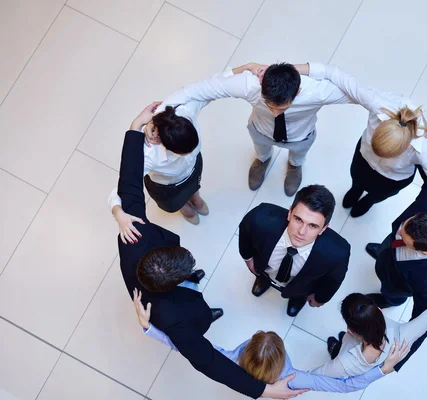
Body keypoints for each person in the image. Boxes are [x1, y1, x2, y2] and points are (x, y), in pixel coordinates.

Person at [116, 104, 305, 399]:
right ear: (173, 281)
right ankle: (206, 314)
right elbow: (209, 362)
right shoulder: (174, 320)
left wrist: (133, 128)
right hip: (186, 315)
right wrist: (264, 392)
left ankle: (203, 304)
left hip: (171, 290)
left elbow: (128, 183)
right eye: (187, 269)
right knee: (200, 316)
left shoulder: (133, 236)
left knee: (200, 306)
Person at [306, 62, 427, 271]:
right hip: (362, 160)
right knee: (356, 180)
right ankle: (355, 190)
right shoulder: (378, 103)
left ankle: (368, 202)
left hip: (391, 179)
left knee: (376, 196)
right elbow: (334, 74)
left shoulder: (423, 149)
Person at [132, 289, 411, 393]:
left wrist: (150, 328)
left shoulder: (227, 360)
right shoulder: (294, 378)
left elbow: (184, 344)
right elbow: (345, 387)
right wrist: (382, 369)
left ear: (248, 346)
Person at [149, 62, 353, 196]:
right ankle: (262, 161)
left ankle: (294, 166)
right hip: (261, 131)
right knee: (261, 149)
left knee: (299, 154)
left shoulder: (318, 92)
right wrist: (158, 116)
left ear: (297, 91)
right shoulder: (249, 85)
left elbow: (357, 93)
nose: (275, 113)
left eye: (281, 108)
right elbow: (200, 89)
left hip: (300, 136)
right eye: (269, 105)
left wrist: (315, 69)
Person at [354, 166, 427, 370]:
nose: (400, 230)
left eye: (404, 236)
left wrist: (393, 365)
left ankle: (389, 299)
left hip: (399, 282)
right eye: (405, 225)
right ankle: (384, 252)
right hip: (391, 252)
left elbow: (421, 324)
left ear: (421, 251)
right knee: (388, 246)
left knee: (392, 293)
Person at [313, 255, 427, 376]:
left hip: (347, 355)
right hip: (366, 356)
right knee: (342, 345)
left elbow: (312, 378)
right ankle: (338, 347)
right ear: (379, 310)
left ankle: (336, 349)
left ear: (350, 330)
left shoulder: (343, 363)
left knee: (340, 350)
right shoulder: (403, 337)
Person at [239, 185, 350, 317]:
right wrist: (248, 258)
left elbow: (333, 281)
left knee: (299, 292)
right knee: (263, 273)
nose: (301, 232)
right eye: (298, 219)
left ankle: (296, 299)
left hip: (302, 287)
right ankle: (263, 280)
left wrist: (320, 298)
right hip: (265, 268)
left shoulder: (337, 253)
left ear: (323, 229)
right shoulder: (260, 217)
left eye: (313, 226)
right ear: (290, 213)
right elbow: (245, 231)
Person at [108, 97, 213, 234]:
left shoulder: (185, 112)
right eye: (184, 152)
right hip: (168, 188)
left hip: (192, 170)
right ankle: (184, 207)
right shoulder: (148, 154)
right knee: (177, 202)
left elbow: (209, 89)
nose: (190, 153)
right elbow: (123, 188)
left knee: (195, 185)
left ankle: (196, 198)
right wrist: (118, 212)